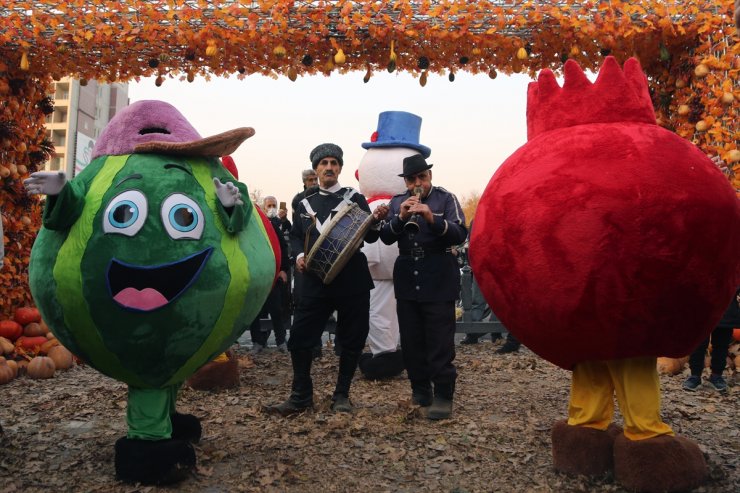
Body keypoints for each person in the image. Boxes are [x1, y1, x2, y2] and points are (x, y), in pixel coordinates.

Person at [268, 143, 388, 414]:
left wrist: (377, 220)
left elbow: (369, 236)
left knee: (353, 337)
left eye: (334, 163)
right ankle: (301, 396)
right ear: (316, 169)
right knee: (299, 337)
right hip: (313, 279)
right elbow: (297, 235)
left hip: (352, 279)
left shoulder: (354, 198)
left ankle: (342, 395)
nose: (329, 168)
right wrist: (299, 255)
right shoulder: (303, 203)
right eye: (324, 164)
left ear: (340, 168)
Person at [379, 154, 467, 420]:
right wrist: (400, 217)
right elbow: (384, 236)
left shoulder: (445, 198)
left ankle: (443, 395)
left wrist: (432, 218)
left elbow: (461, 234)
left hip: (438, 272)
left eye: (422, 177)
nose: (418, 183)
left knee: (439, 339)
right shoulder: (397, 202)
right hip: (407, 273)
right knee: (412, 339)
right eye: (411, 179)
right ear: (405, 181)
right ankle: (420, 390)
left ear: (429, 176)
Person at [248, 197, 290, 354]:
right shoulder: (250, 226)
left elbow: (282, 247)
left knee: (276, 310)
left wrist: (283, 269)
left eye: (273, 205)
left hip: (273, 274)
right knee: (254, 311)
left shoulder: (273, 225)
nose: (271, 208)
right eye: (268, 206)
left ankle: (281, 341)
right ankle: (257, 342)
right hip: (256, 274)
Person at [683, 286, 740, 392]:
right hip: (702, 306)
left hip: (726, 307)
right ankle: (695, 376)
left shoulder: (731, 269)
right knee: (698, 344)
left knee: (721, 345)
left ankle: (717, 376)